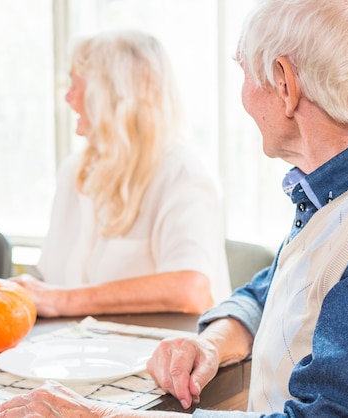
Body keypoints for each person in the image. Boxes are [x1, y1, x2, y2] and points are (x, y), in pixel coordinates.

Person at [0, 0, 348, 416]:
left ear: (285, 85)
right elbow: (268, 291)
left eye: (244, 75)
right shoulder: (325, 196)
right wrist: (213, 341)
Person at [12, 30, 231, 317]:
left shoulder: (182, 174)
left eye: (76, 85)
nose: (68, 97)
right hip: (79, 353)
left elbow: (191, 290)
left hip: (157, 356)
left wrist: (60, 300)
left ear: (110, 96)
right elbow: (50, 279)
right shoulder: (73, 171)